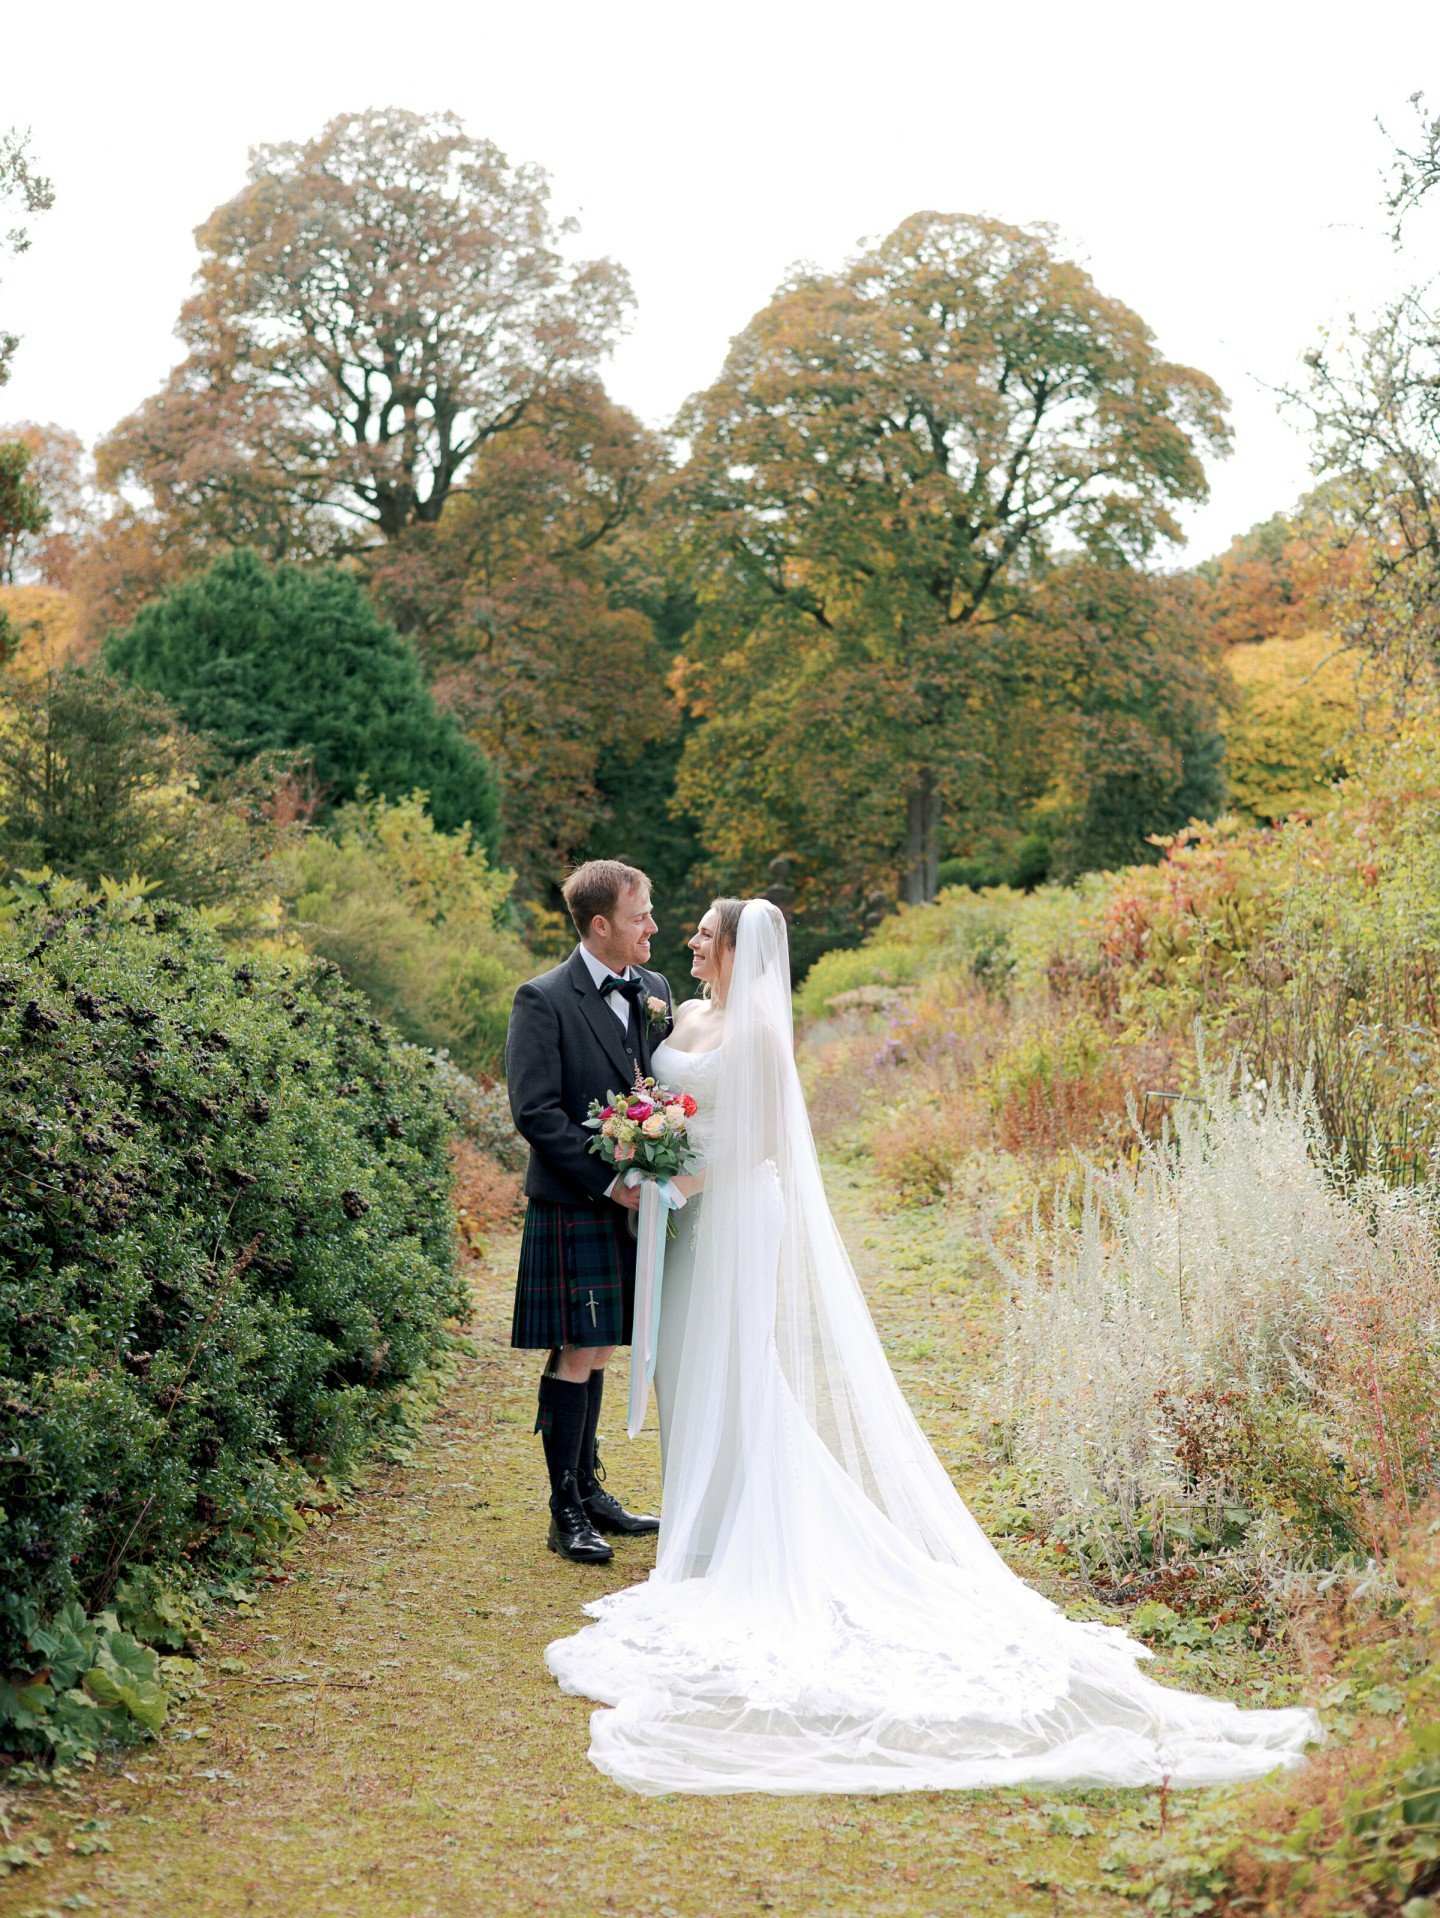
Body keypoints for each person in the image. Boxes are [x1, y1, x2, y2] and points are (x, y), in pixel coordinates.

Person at [545, 898, 1321, 1795]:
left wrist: (680, 1178)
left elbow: (768, 1145)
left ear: (732, 947)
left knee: (738, 1366)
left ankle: (745, 1529)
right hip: (682, 1221)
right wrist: (650, 1160)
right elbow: (660, 1095)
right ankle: (703, 1523)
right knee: (683, 1366)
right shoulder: (679, 1016)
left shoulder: (758, 1028)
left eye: (703, 937)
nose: (687, 943)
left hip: (728, 1215)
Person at [506, 859, 673, 1565]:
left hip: (639, 1204)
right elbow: (536, 1113)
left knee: (601, 1344)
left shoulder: (657, 991)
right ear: (600, 924)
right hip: (579, 1197)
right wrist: (611, 1182)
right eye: (640, 917)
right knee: (577, 1349)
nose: (653, 928)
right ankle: (564, 1508)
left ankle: (593, 1489)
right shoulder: (541, 1000)